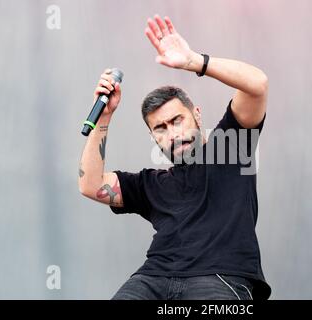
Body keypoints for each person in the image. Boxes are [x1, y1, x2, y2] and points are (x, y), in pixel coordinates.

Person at [78, 14, 271, 300]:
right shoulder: (150, 185)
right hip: (152, 279)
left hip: (218, 279)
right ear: (154, 137)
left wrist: (195, 62)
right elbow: (90, 185)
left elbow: (257, 84)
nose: (171, 132)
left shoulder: (230, 147)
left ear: (196, 114)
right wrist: (104, 117)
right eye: (160, 128)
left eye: (177, 120)